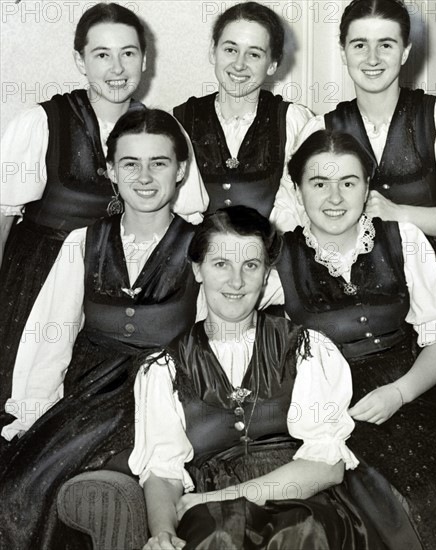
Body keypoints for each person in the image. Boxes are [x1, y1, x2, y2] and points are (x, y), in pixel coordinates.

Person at [127, 206, 422, 550]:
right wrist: (163, 533)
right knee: (217, 536)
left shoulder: (306, 349)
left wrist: (220, 497)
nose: (236, 282)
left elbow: (326, 468)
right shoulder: (164, 368)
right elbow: (162, 473)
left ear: (267, 274)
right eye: (221, 264)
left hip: (301, 496)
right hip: (212, 518)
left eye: (250, 266)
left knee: (302, 530)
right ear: (198, 269)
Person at [274, 130, 436, 550]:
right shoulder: (279, 256)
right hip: (336, 403)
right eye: (319, 184)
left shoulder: (401, 239)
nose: (335, 198)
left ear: (367, 188)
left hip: (415, 386)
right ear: (298, 193)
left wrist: (399, 392)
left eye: (349, 183)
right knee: (393, 497)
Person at [0, 109, 202, 550]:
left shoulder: (203, 246)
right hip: (88, 391)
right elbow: (51, 334)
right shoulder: (83, 241)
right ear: (111, 171)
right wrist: (31, 414)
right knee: (23, 486)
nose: (144, 176)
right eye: (130, 163)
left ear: (181, 170)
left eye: (160, 163)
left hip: (166, 392)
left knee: (105, 469)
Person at [279, 0, 436, 399]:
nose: (372, 58)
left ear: (406, 51)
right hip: (360, 288)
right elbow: (296, 220)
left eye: (386, 45)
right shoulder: (319, 129)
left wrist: (398, 214)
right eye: (359, 45)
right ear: (343, 51)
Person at [0, 2, 209, 400]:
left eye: (128, 53)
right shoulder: (43, 122)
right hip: (34, 289)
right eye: (102, 55)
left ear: (144, 60)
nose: (117, 69)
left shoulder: (163, 130)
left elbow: (187, 227)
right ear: (80, 60)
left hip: (119, 298)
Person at [173, 1, 312, 229]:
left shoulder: (292, 121)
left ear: (272, 65)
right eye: (230, 50)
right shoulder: (181, 120)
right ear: (213, 52)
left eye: (254, 54)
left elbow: (296, 210)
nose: (239, 64)